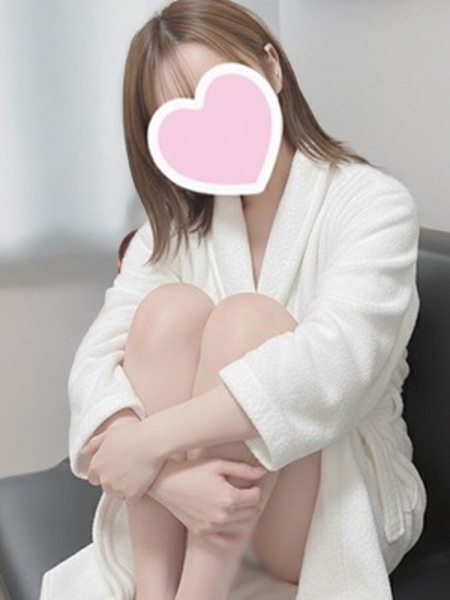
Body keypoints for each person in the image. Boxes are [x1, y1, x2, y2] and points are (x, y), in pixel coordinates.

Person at [39, 1, 427, 599]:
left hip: (329, 489)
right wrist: (167, 481)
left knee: (249, 321)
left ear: (271, 67)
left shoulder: (374, 204)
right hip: (190, 500)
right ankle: (156, 590)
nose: (211, 129)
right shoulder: (174, 231)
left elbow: (334, 367)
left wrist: (150, 445)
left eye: (220, 93)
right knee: (167, 311)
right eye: (179, 119)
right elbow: (96, 361)